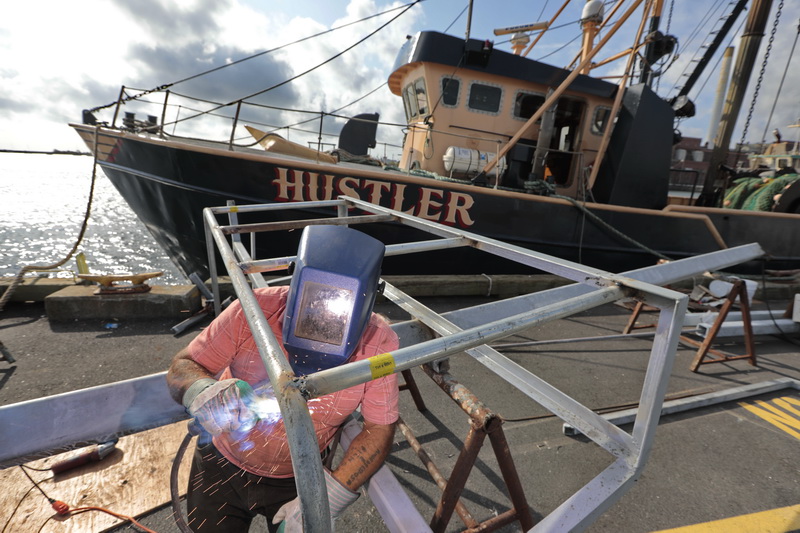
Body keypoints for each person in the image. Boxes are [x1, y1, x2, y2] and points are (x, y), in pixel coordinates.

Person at [166, 225, 399, 532]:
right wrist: (202, 390)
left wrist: (333, 494)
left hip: (301, 475)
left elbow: (379, 427)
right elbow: (184, 365)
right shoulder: (248, 313)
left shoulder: (378, 344)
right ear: (297, 283)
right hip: (220, 464)